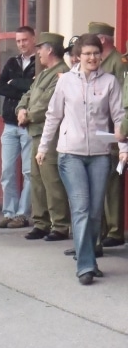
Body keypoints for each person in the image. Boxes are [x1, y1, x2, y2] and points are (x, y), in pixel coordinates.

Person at [35, 34, 127, 285]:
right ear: (77, 56)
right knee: (81, 208)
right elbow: (53, 116)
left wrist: (123, 148)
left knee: (95, 212)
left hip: (100, 155)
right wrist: (43, 147)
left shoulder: (109, 82)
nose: (92, 58)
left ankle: (90, 258)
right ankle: (85, 265)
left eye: (96, 53)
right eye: (87, 53)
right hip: (70, 154)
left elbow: (119, 117)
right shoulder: (66, 81)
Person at [16, 32, 71, 241]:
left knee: (52, 180)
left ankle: (60, 225)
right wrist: (21, 109)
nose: (38, 52)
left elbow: (48, 104)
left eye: (40, 48)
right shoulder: (43, 74)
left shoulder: (62, 74)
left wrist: (28, 115)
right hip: (36, 133)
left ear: (50, 50)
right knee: (37, 179)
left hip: (51, 135)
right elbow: (27, 95)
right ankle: (41, 222)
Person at [89, 22, 127, 249]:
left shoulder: (118, 63)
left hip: (114, 132)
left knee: (112, 182)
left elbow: (122, 101)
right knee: (101, 182)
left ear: (102, 40)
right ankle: (101, 229)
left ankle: (114, 230)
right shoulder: (102, 62)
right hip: (100, 132)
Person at [0, 26, 37, 229]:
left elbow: (36, 89)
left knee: (29, 171)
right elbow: (0, 86)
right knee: (7, 171)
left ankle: (22, 214)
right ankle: (9, 212)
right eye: (18, 41)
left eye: (25, 40)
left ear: (33, 39)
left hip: (29, 124)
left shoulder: (40, 63)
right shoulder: (12, 62)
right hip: (10, 123)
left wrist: (15, 83)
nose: (21, 44)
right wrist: (23, 84)